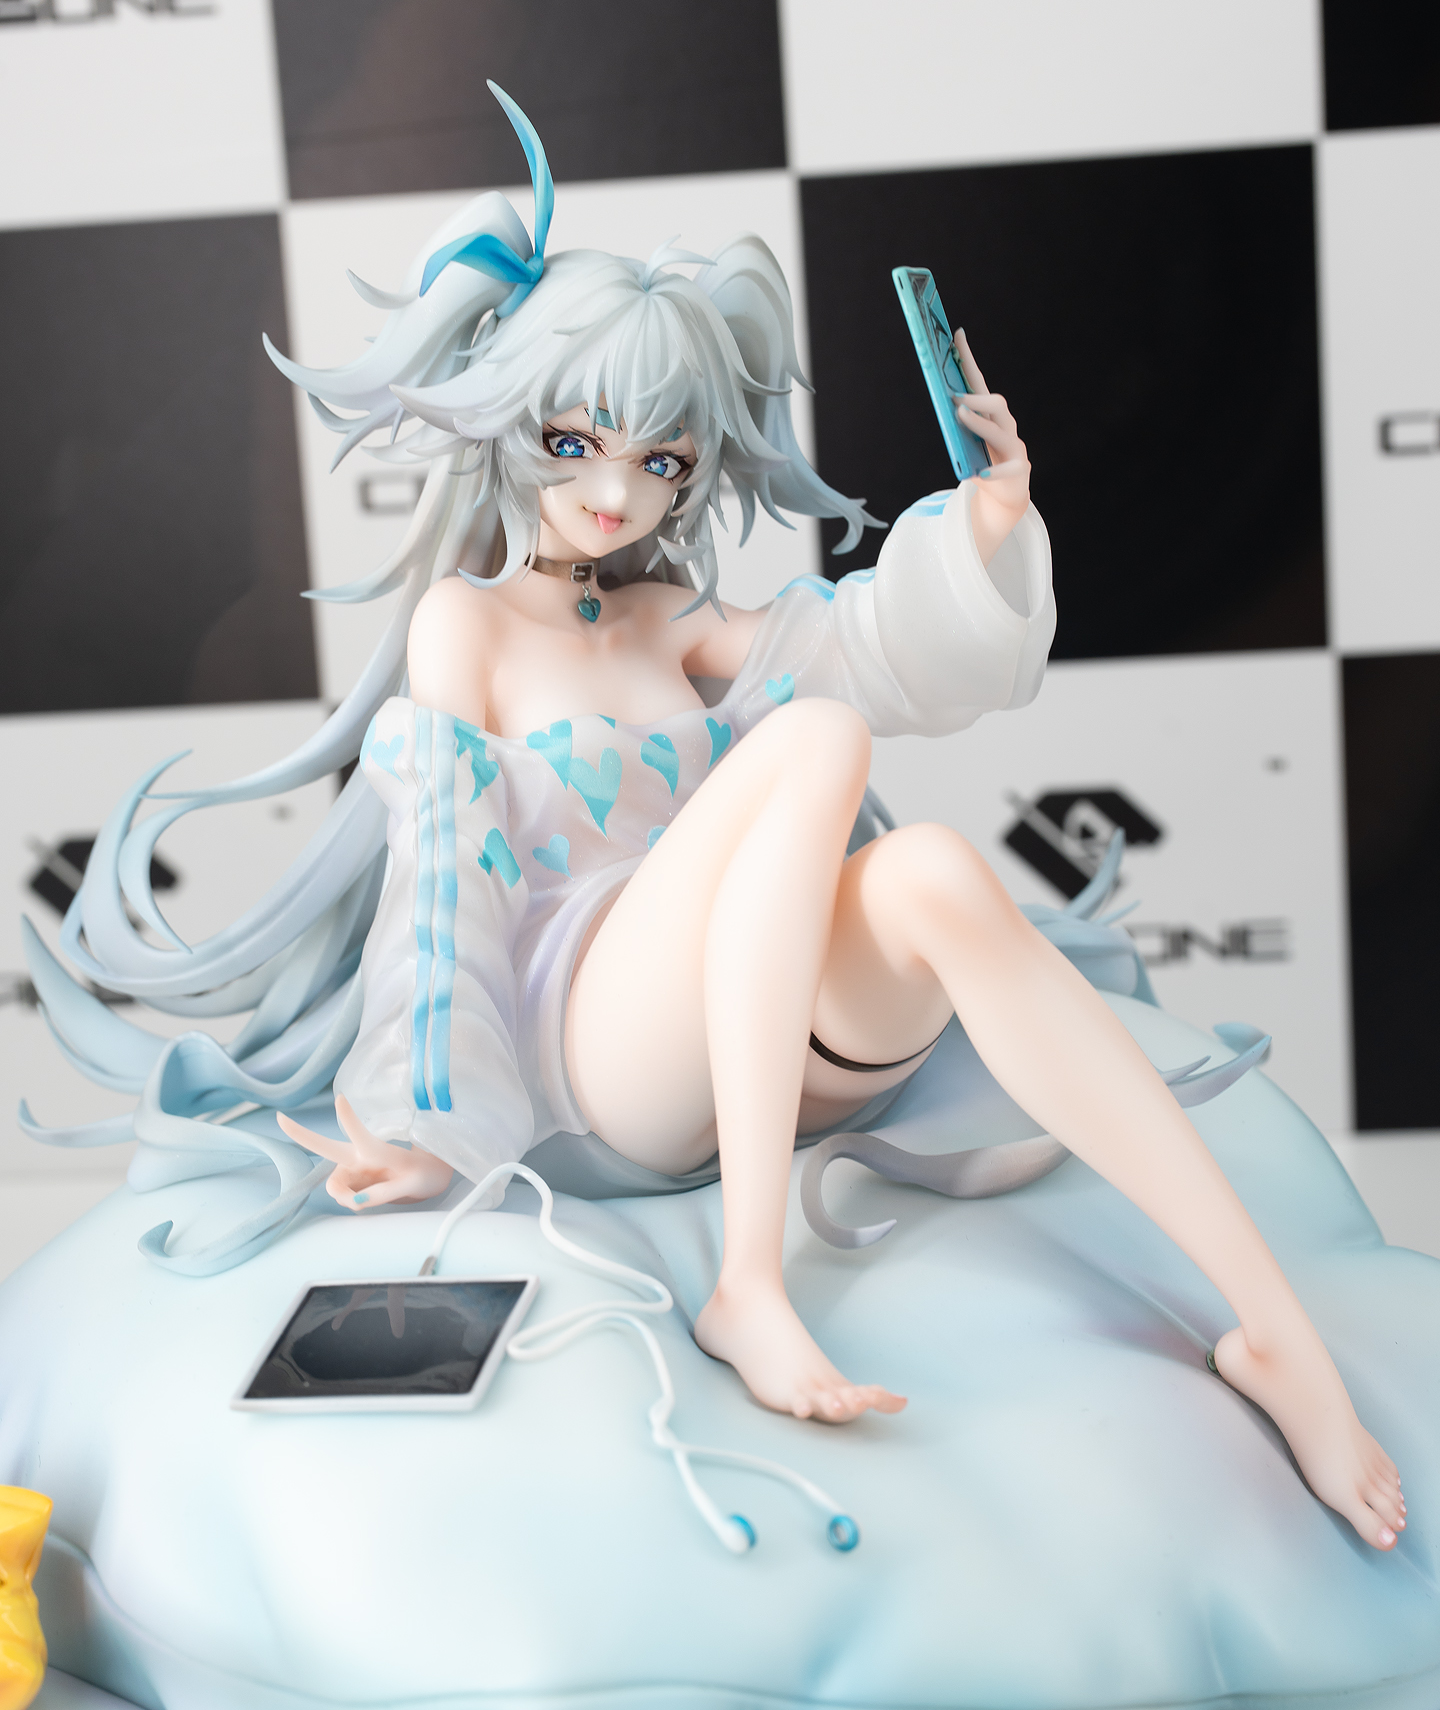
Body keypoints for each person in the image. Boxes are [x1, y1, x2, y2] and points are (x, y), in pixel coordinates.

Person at [34, 89, 1404, 1554]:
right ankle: (750, 1281)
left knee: (934, 872)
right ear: (509, 420)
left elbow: (874, 651)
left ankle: (1277, 1336)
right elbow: (440, 884)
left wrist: (990, 527)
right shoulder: (465, 627)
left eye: (663, 462)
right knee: (812, 740)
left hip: (760, 1035)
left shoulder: (673, 616)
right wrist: (429, 1124)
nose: (615, 494)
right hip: (601, 1062)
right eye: (573, 441)